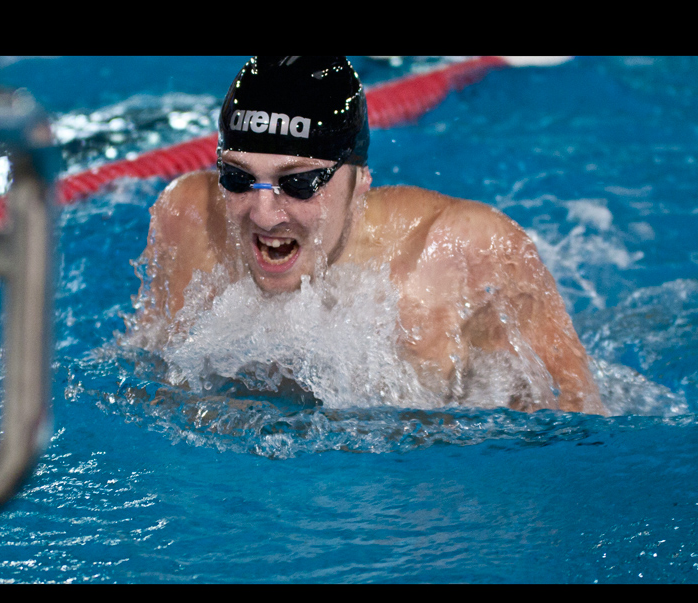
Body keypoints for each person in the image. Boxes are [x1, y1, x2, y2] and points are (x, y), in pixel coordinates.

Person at [134, 56, 606, 415]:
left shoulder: (463, 251)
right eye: (238, 177)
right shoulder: (189, 219)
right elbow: (148, 374)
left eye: (298, 183)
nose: (263, 213)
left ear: (360, 183)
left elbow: (577, 424)